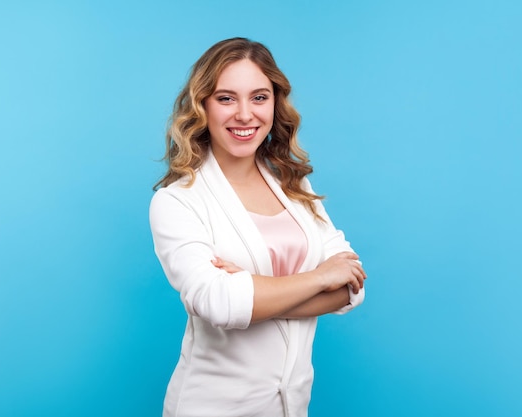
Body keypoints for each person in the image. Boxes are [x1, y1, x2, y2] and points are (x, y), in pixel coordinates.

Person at [149, 37, 367, 417]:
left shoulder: (294, 186)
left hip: (292, 405)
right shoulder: (177, 201)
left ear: (275, 104)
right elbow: (218, 304)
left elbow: (350, 287)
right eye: (226, 98)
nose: (245, 114)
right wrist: (318, 278)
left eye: (259, 97)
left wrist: (251, 293)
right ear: (202, 106)